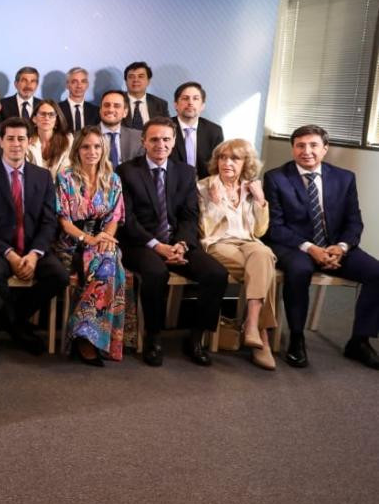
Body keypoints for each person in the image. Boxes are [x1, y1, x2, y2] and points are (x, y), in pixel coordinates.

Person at [264, 124, 379, 368]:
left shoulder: (345, 178)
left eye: (313, 145)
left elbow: (354, 221)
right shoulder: (276, 178)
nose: (307, 151)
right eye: (300, 145)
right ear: (293, 149)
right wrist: (310, 248)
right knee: (299, 271)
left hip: (336, 246)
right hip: (294, 246)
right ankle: (296, 338)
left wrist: (342, 247)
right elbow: (275, 227)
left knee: (376, 272)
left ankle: (359, 341)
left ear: (325, 149)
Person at [118, 116, 228, 367]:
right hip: (140, 244)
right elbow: (128, 219)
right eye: (154, 139)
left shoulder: (185, 172)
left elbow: (189, 215)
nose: (160, 144)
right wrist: (157, 246)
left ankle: (196, 338)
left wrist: (181, 245)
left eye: (166, 139)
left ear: (173, 141)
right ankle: (153, 338)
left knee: (216, 274)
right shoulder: (127, 171)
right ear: (144, 141)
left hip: (178, 242)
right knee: (156, 273)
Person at [0, 116, 68, 354]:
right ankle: (19, 328)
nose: (16, 144)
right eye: (11, 138)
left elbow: (49, 221)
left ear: (28, 142)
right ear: (1, 141)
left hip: (33, 247)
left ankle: (11, 319)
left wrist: (34, 255)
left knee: (59, 275)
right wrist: (11, 255)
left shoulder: (42, 176)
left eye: (21, 139)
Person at [197, 139, 277, 370]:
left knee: (263, 253)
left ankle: (252, 324)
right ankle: (260, 335)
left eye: (235, 158)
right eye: (223, 157)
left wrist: (261, 200)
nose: (227, 163)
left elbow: (260, 231)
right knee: (265, 266)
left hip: (248, 243)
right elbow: (205, 230)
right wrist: (214, 203)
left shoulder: (252, 188)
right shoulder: (203, 186)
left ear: (246, 163)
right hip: (218, 243)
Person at [53, 126, 126, 365]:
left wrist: (104, 238)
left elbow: (115, 217)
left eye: (96, 146)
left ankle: (85, 333)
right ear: (78, 150)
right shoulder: (65, 177)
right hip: (72, 244)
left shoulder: (113, 179)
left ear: (103, 149)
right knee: (108, 263)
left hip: (101, 240)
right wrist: (89, 240)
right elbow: (63, 220)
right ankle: (86, 336)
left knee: (109, 256)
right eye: (86, 146)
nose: (91, 151)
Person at [170, 81, 224, 178]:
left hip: (205, 185)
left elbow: (218, 165)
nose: (190, 103)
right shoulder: (164, 128)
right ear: (176, 105)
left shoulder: (214, 131)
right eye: (185, 98)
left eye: (195, 99)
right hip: (171, 184)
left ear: (202, 105)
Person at [98, 90, 144, 168]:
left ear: (125, 112)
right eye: (106, 105)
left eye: (116, 106)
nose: (110, 110)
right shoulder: (84, 136)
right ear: (100, 110)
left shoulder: (138, 138)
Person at [27, 99, 72, 175]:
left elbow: (67, 171)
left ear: (56, 121)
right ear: (34, 119)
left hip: (60, 185)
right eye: (42, 114)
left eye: (51, 115)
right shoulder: (27, 141)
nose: (46, 118)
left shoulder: (68, 140)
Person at [123, 61, 168, 130]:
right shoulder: (116, 102)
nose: (136, 80)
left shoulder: (160, 104)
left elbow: (167, 129)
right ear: (126, 81)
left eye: (140, 76)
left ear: (148, 81)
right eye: (131, 77)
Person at [60, 67, 100, 132]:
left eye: (83, 81)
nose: (79, 86)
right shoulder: (57, 109)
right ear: (67, 85)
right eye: (74, 82)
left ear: (87, 85)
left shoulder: (96, 111)